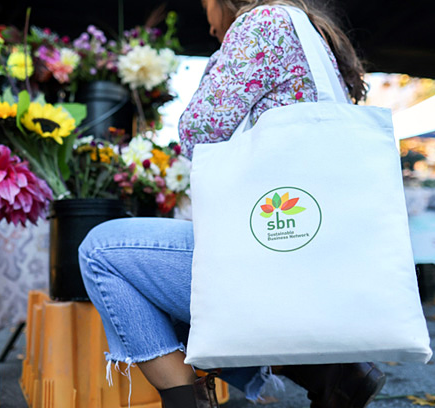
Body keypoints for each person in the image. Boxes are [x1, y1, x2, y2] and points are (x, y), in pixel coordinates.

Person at [78, 0, 386, 406]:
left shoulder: (261, 22)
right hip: (312, 258)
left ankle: (188, 402)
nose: (207, 22)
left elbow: (199, 131)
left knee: (101, 250)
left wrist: (219, 60)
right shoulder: (309, 35)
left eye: (205, 2)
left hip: (269, 261)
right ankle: (333, 374)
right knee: (146, 272)